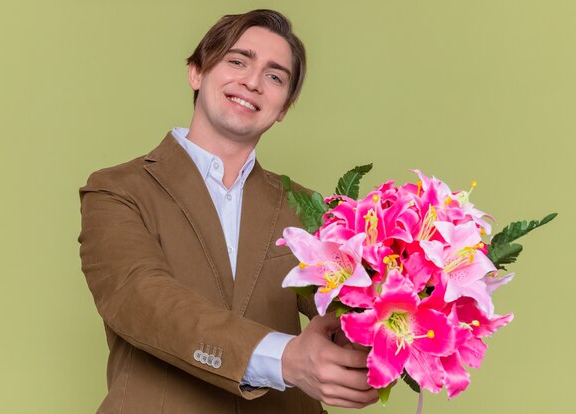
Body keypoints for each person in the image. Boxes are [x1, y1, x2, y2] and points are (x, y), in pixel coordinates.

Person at [79, 9, 379, 413]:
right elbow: (141, 299)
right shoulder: (117, 189)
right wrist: (286, 359)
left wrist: (419, 289)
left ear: (284, 107)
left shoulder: (309, 209)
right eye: (237, 61)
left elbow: (353, 308)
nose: (252, 82)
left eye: (275, 76)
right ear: (197, 73)